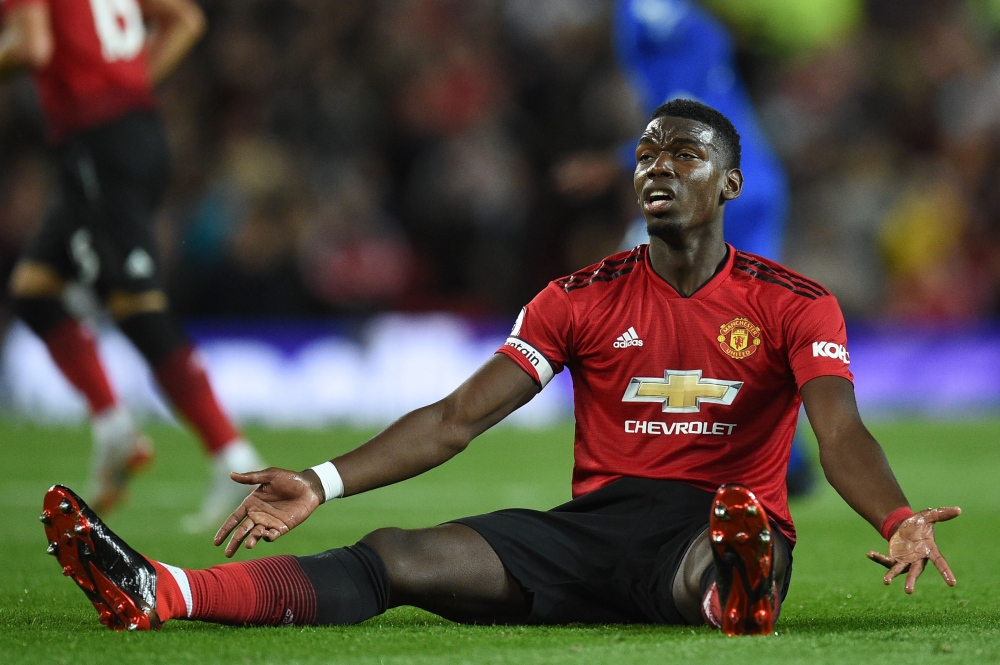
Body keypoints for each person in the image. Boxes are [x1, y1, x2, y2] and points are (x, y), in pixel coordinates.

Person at [41, 100, 958, 635]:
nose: (657, 166)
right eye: (645, 153)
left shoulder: (794, 300)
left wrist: (898, 514)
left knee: (718, 547)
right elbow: (455, 418)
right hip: (594, 529)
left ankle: (736, 588)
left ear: (730, 185)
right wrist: (321, 481)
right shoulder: (577, 296)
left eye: (685, 154)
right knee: (395, 557)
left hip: (714, 523)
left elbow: (839, 429)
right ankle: (164, 590)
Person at [1, 0, 265, 531]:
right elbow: (187, 19)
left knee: (136, 304)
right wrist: (132, 82)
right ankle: (113, 423)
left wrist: (111, 94)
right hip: (124, 135)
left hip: (98, 143)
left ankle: (236, 459)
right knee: (35, 289)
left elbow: (33, 46)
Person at [555, 0, 812, 494]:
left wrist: (613, 162)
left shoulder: (650, 15)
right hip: (749, 179)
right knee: (749, 320)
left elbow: (693, 113)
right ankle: (787, 461)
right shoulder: (671, 21)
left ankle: (639, 454)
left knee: (637, 290)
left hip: (722, 187)